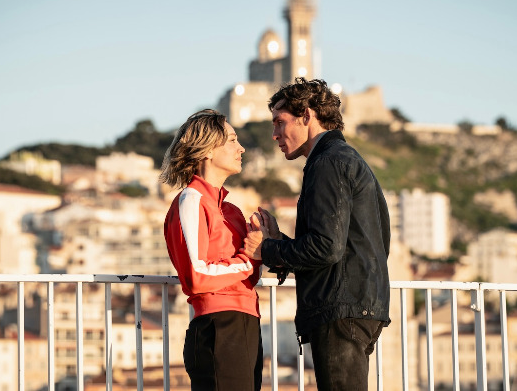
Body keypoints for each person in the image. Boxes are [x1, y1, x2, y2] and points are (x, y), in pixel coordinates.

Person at [242, 78, 391, 391]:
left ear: (306, 115)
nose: (274, 134)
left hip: (340, 312)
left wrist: (265, 250)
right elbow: (356, 245)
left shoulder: (328, 163)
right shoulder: (346, 158)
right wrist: (279, 243)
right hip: (358, 307)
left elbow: (326, 248)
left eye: (280, 122)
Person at [161, 109, 263, 391]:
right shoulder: (191, 200)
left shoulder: (232, 211)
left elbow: (250, 275)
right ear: (206, 149)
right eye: (232, 140)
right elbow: (197, 276)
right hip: (218, 328)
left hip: (247, 323)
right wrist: (249, 258)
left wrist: (266, 244)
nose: (241, 148)